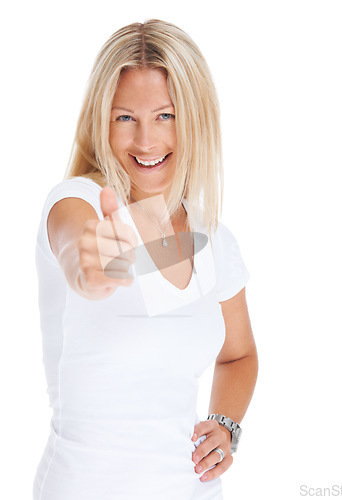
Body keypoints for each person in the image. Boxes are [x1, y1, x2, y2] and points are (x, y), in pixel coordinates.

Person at [33, 19, 258, 500]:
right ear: (102, 120)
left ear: (195, 117)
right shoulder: (79, 201)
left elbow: (238, 354)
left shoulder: (215, 239)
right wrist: (88, 268)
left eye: (166, 116)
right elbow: (76, 244)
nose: (146, 141)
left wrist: (226, 425)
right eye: (124, 118)